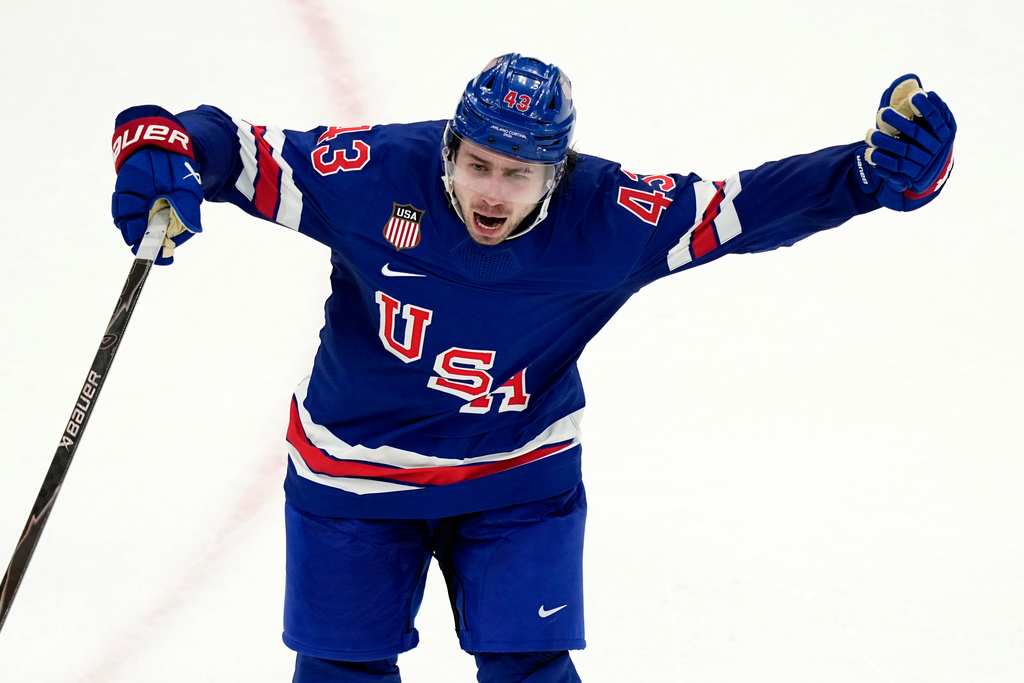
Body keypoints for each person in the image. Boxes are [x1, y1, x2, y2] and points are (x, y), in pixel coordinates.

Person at [109, 54, 956, 682]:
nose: (492, 190)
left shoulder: (613, 217)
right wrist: (161, 141)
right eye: (477, 164)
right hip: (354, 472)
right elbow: (234, 150)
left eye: (517, 174)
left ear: (557, 173)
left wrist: (868, 177)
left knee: (531, 668)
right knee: (338, 670)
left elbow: (750, 206)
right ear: (449, 148)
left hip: (518, 476)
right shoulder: (372, 177)